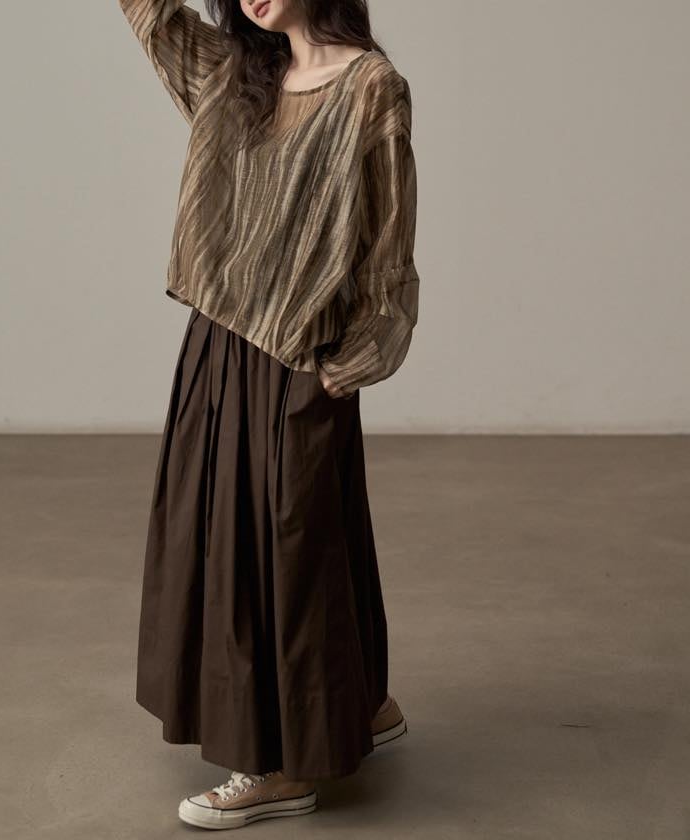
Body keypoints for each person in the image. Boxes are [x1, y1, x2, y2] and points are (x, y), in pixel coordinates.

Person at [118, 0, 420, 829]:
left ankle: (280, 767)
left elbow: (388, 238)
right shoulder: (235, 73)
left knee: (290, 550)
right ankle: (360, 705)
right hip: (219, 344)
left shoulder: (371, 87)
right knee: (246, 541)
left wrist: (354, 361)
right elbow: (151, 15)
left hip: (300, 354)